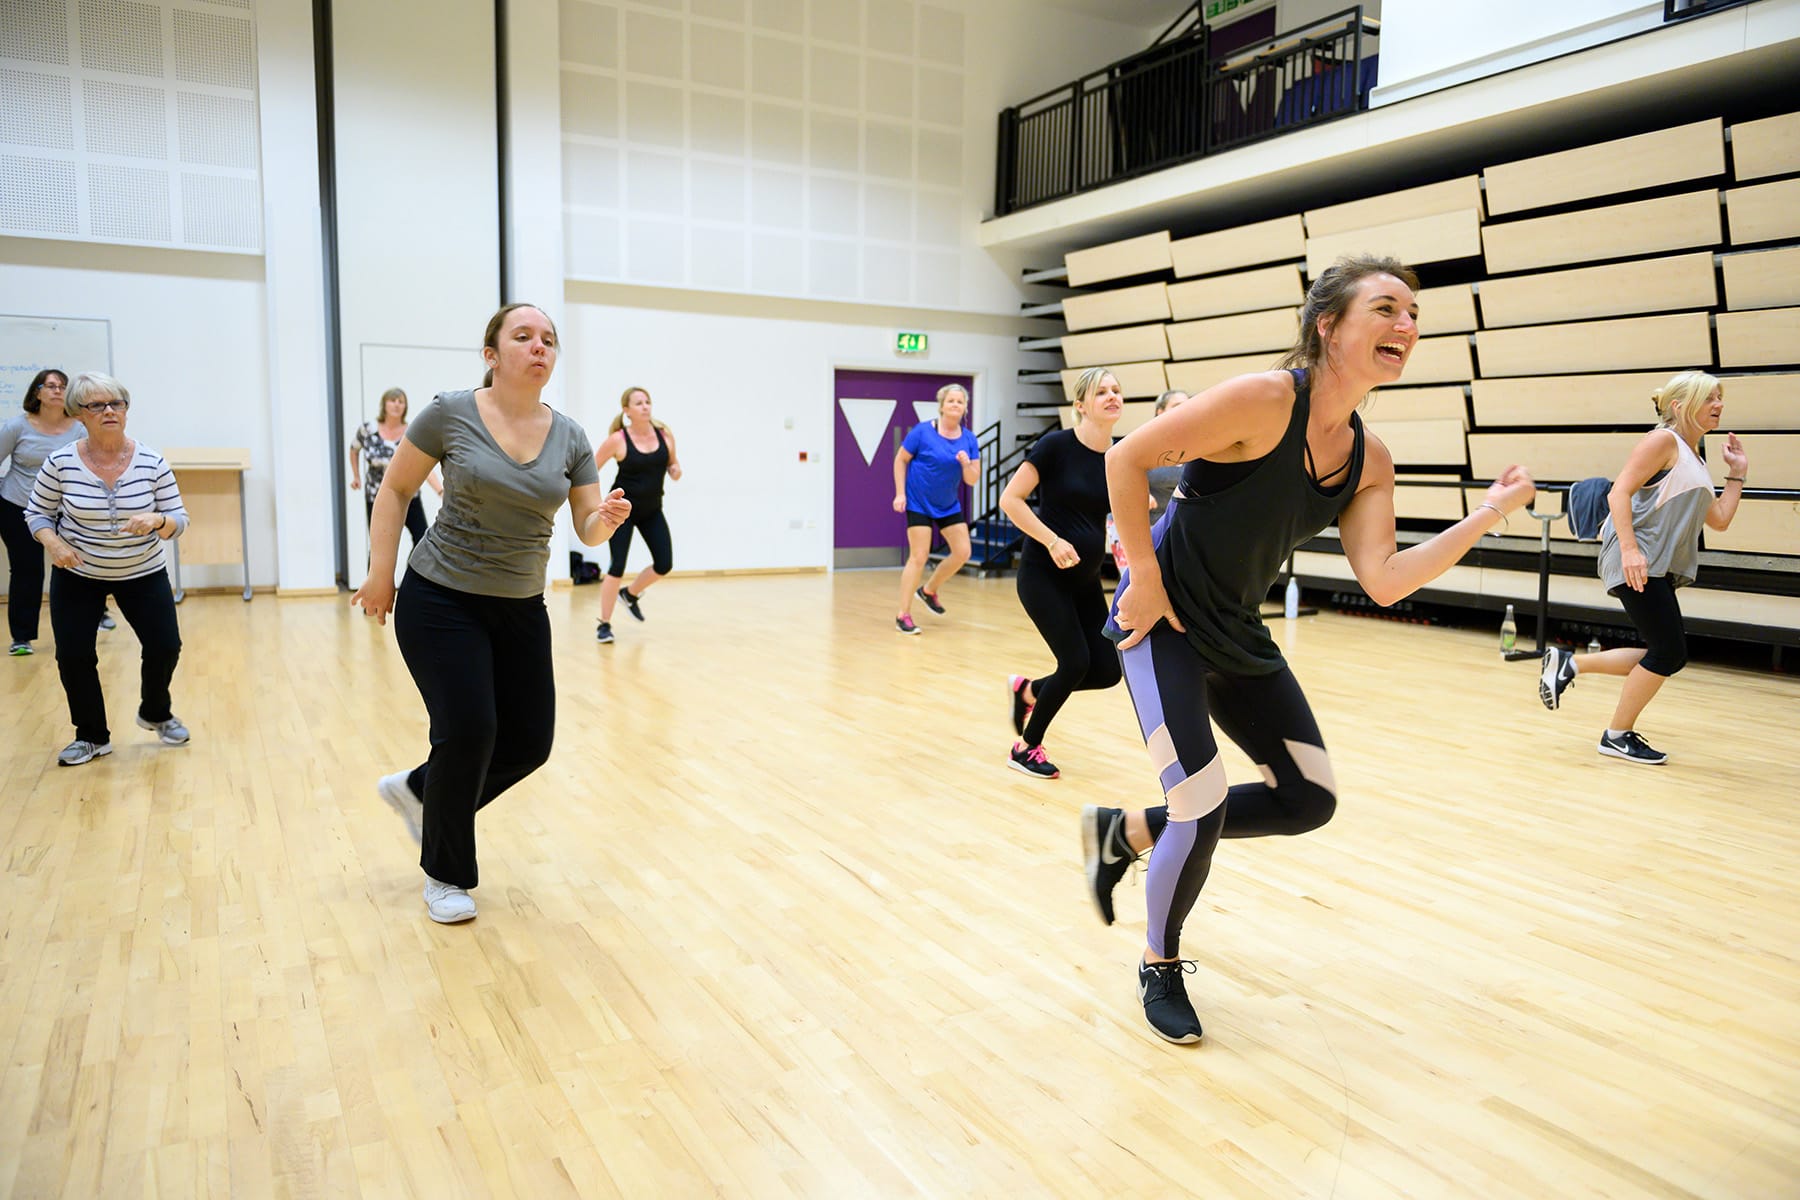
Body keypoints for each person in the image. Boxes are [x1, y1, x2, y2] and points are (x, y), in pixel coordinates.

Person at [1084, 256, 1536, 1043]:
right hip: (1162, 626)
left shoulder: (1370, 458)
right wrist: (1146, 576)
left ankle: (1124, 833)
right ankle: (1159, 963)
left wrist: (1488, 515)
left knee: (1308, 798)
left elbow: (1386, 580)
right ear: (1328, 325)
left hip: (1237, 633)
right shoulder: (1264, 399)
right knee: (1202, 800)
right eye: (1387, 309)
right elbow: (1126, 459)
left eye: (1414, 316)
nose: (1407, 326)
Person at [351, 303, 630, 924]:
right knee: (471, 731)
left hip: (520, 605)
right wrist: (379, 574)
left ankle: (422, 791)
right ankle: (445, 873)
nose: (539, 347)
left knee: (530, 741)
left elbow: (585, 527)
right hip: (440, 597)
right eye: (523, 336)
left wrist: (600, 519)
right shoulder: (451, 412)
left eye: (548, 340)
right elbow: (395, 489)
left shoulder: (573, 437)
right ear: (491, 355)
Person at [1537, 371, 1747, 765]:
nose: (1718, 404)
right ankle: (1616, 735)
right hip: (1636, 558)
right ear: (1681, 406)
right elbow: (1620, 491)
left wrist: (1736, 473)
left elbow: (1718, 518)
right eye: (1709, 398)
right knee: (1668, 652)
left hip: (1656, 564)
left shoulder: (1695, 458)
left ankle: (1570, 663)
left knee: (1667, 652)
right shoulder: (1663, 440)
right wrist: (1631, 550)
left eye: (1720, 397)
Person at [26, 373, 191, 766]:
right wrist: (55, 543)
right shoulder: (60, 463)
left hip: (143, 571)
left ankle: (155, 711)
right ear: (79, 414)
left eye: (116, 403)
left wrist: (157, 520)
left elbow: (178, 518)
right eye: (97, 405)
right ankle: (92, 735)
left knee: (166, 646)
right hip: (78, 573)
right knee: (74, 654)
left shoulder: (151, 461)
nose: (109, 411)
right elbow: (37, 513)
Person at [998, 367, 1126, 779]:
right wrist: (1051, 540)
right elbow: (1011, 500)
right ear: (1080, 405)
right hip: (1043, 575)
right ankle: (1026, 747)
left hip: (1085, 582)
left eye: (1116, 390)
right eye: (1101, 391)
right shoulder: (1055, 447)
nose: (1111, 396)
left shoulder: (1120, 455)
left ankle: (1030, 690)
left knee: (1107, 670)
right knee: (1074, 661)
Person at [592, 385, 681, 644]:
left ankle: (629, 595)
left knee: (664, 564)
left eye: (648, 401)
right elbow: (590, 469)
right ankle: (604, 624)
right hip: (621, 513)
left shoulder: (665, 436)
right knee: (616, 566)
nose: (645, 406)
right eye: (639, 403)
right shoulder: (618, 440)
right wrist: (594, 502)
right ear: (627, 410)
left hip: (652, 510)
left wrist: (675, 470)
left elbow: (673, 463)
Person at [1, 369, 80, 655]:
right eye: (51, 386)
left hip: (65, 509)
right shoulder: (16, 427)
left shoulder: (80, 427)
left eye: (62, 386)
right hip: (18, 505)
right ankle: (22, 638)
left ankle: (92, 620)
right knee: (27, 571)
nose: (57, 390)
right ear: (37, 393)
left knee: (76, 566)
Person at [893, 383, 979, 633]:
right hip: (918, 501)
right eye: (951, 401)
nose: (955, 405)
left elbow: (972, 479)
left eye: (960, 402)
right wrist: (900, 493)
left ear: (964, 408)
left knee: (963, 552)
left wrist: (965, 464)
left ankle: (929, 590)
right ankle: (903, 615)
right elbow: (901, 459)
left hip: (948, 504)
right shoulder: (922, 432)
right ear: (942, 405)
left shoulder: (968, 439)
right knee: (919, 556)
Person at [349, 387, 441, 551]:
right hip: (377, 496)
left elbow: (424, 464)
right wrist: (356, 476)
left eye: (401, 402)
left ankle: (410, 577)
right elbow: (354, 449)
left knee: (421, 539)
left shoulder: (412, 431)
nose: (397, 405)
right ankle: (378, 577)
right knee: (379, 547)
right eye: (393, 400)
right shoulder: (368, 430)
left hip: (408, 495)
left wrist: (440, 491)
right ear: (384, 404)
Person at [1144, 389, 1190, 513]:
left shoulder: (1203, 448)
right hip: (1150, 525)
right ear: (1160, 412)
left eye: (1188, 405)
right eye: (1178, 406)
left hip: (1185, 526)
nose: (1184, 410)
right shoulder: (1144, 447)